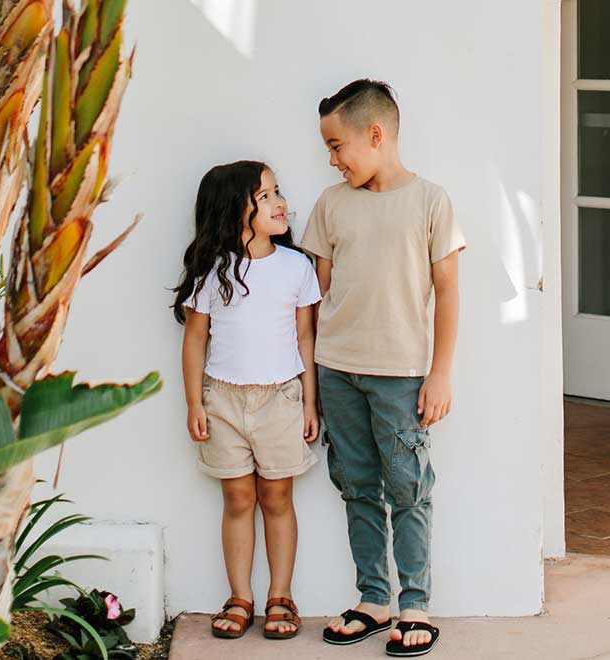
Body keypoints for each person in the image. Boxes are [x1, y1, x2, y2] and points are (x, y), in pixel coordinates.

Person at [301, 79, 466, 657]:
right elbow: (314, 296)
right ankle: (373, 599)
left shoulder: (430, 201)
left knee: (409, 489)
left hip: (400, 375)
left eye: (337, 145)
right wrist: (308, 384)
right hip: (335, 370)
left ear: (376, 135)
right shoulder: (330, 204)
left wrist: (439, 373)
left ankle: (414, 603)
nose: (332, 159)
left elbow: (448, 292)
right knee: (356, 487)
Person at [174, 160, 321, 640]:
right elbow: (195, 339)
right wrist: (195, 403)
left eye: (278, 191)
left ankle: (282, 595)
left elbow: (306, 339)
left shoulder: (296, 267)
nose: (280, 202)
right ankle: (240, 595)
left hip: (281, 398)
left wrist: (309, 404)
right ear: (235, 208)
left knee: (277, 496)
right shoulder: (211, 271)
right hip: (223, 401)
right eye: (265, 195)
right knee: (238, 498)